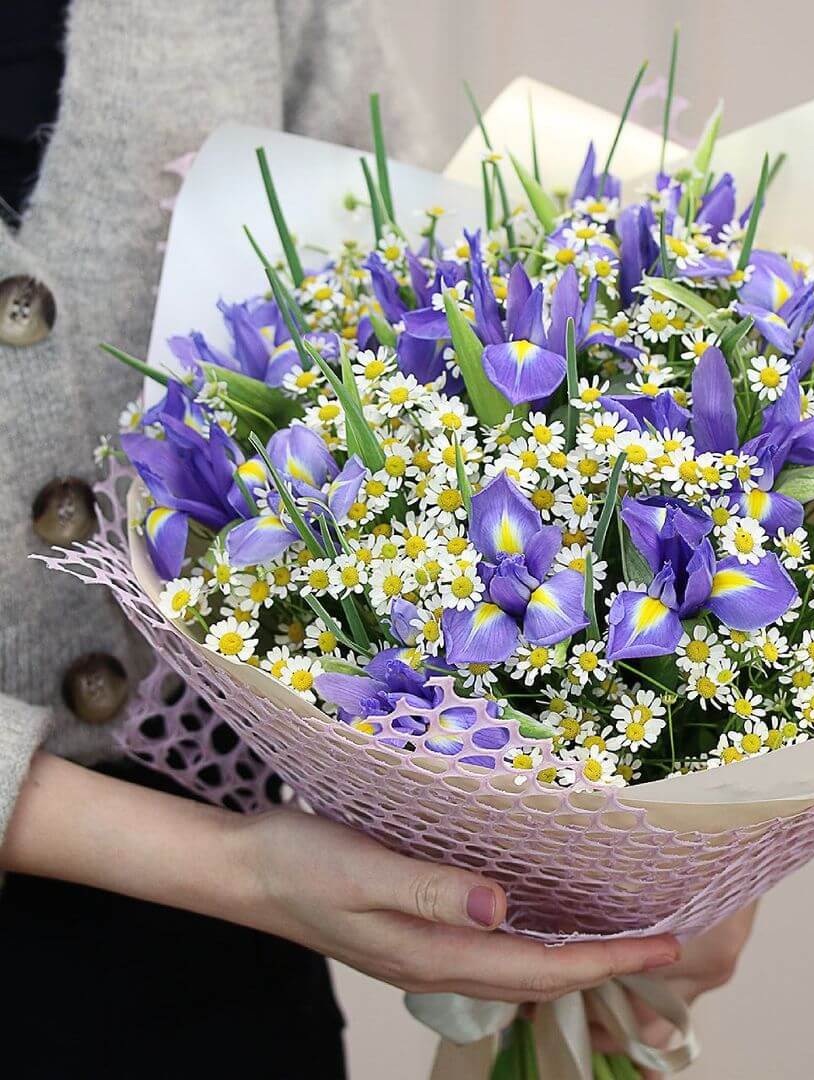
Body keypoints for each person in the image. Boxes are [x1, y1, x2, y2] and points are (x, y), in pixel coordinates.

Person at [0, 3, 753, 1076]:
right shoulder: (252, 870)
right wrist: (239, 868)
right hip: (248, 879)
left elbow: (419, 270)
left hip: (221, 975)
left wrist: (671, 826)